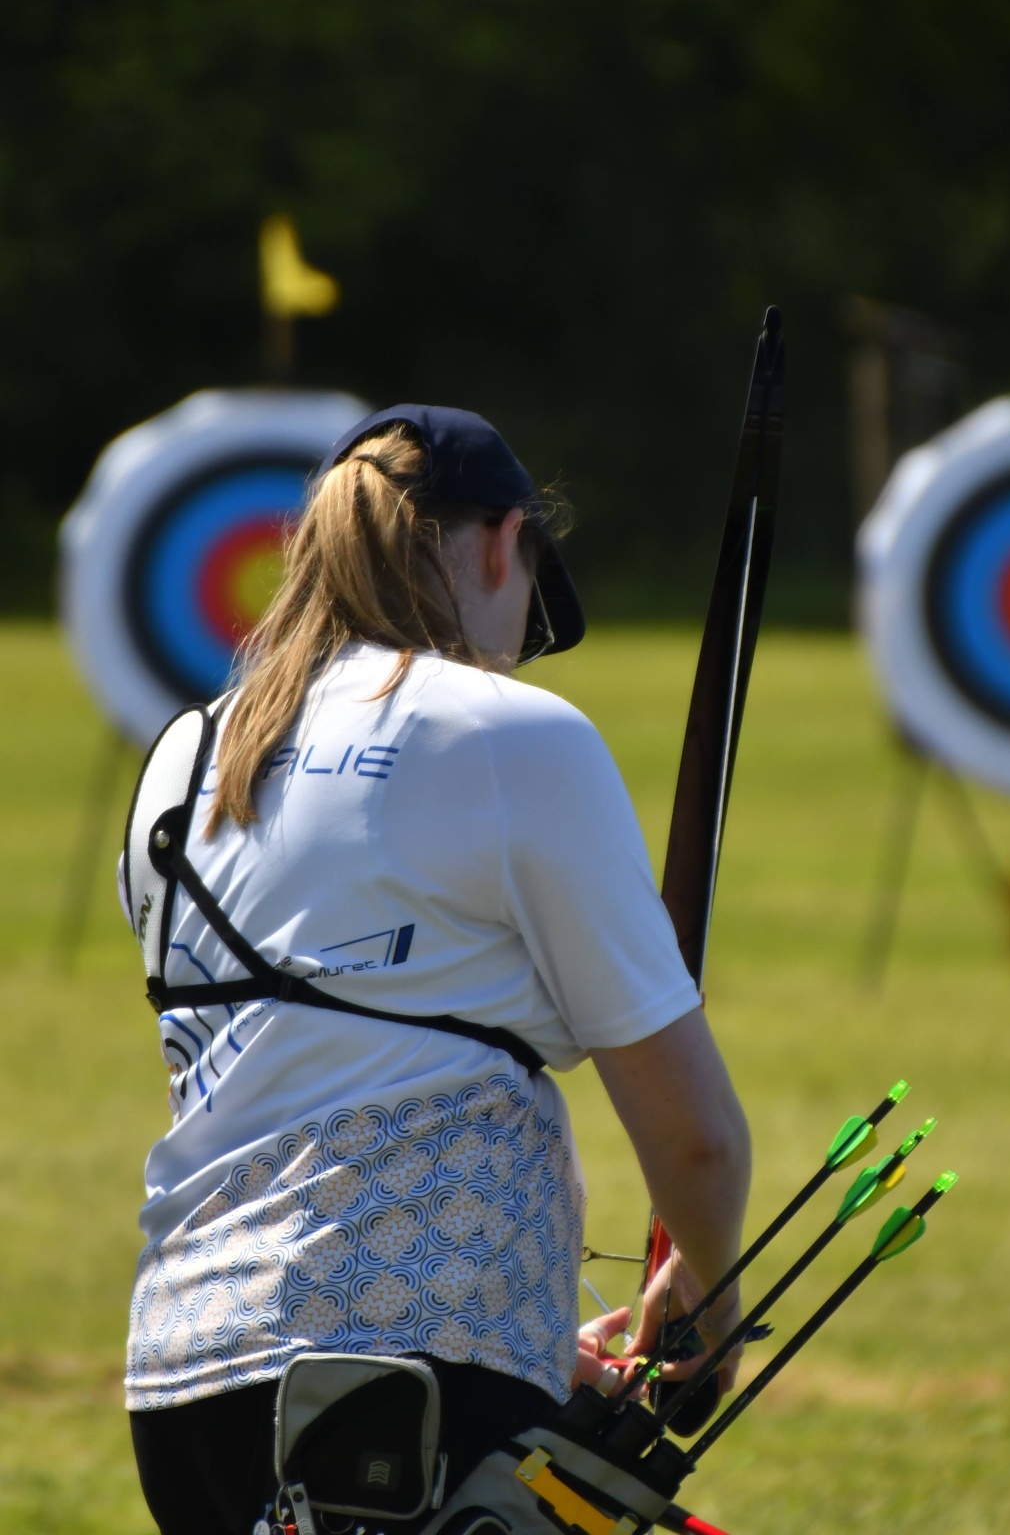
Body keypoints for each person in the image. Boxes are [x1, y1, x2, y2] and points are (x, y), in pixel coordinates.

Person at [120, 404, 751, 1535]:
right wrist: (707, 1298)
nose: (512, 650)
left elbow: (299, 1068)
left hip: (183, 1383)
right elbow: (693, 1136)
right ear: (504, 544)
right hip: (396, 1396)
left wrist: (515, 1342)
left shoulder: (185, 753)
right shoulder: (510, 734)